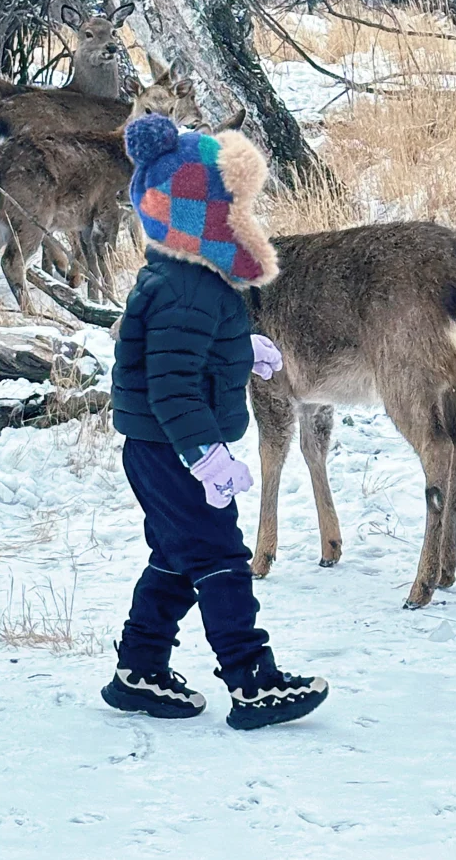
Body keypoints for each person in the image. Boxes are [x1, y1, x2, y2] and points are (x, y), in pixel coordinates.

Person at [101, 113, 329, 731]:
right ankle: (252, 681)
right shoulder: (189, 290)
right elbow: (172, 386)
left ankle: (139, 669)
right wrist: (206, 455)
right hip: (174, 447)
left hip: (158, 446)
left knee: (178, 556)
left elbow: (182, 355)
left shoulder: (190, 279)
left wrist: (239, 352)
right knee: (222, 555)